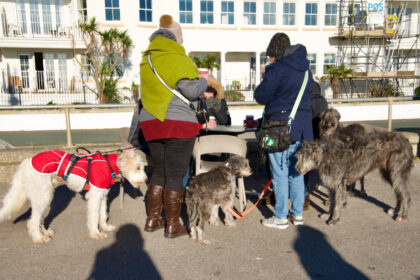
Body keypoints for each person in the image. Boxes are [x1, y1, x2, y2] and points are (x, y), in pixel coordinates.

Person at [138, 15, 215, 238]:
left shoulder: (147, 59)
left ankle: (153, 219)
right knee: (175, 173)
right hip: (178, 122)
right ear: (176, 39)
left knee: (159, 171)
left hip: (151, 121)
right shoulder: (178, 58)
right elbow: (191, 91)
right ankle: (173, 225)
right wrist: (203, 80)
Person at [254, 33, 313, 229]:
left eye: (270, 55)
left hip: (278, 129)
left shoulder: (277, 69)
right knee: (296, 172)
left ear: (276, 53)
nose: (270, 59)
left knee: (278, 172)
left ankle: (280, 216)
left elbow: (261, 96)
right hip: (301, 129)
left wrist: (265, 77)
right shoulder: (306, 71)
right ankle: (297, 215)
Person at [304, 80, 328, 210]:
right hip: (321, 139)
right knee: (322, 167)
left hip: (308, 138)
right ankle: (327, 194)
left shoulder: (305, 100)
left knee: (306, 169)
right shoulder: (323, 101)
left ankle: (305, 196)